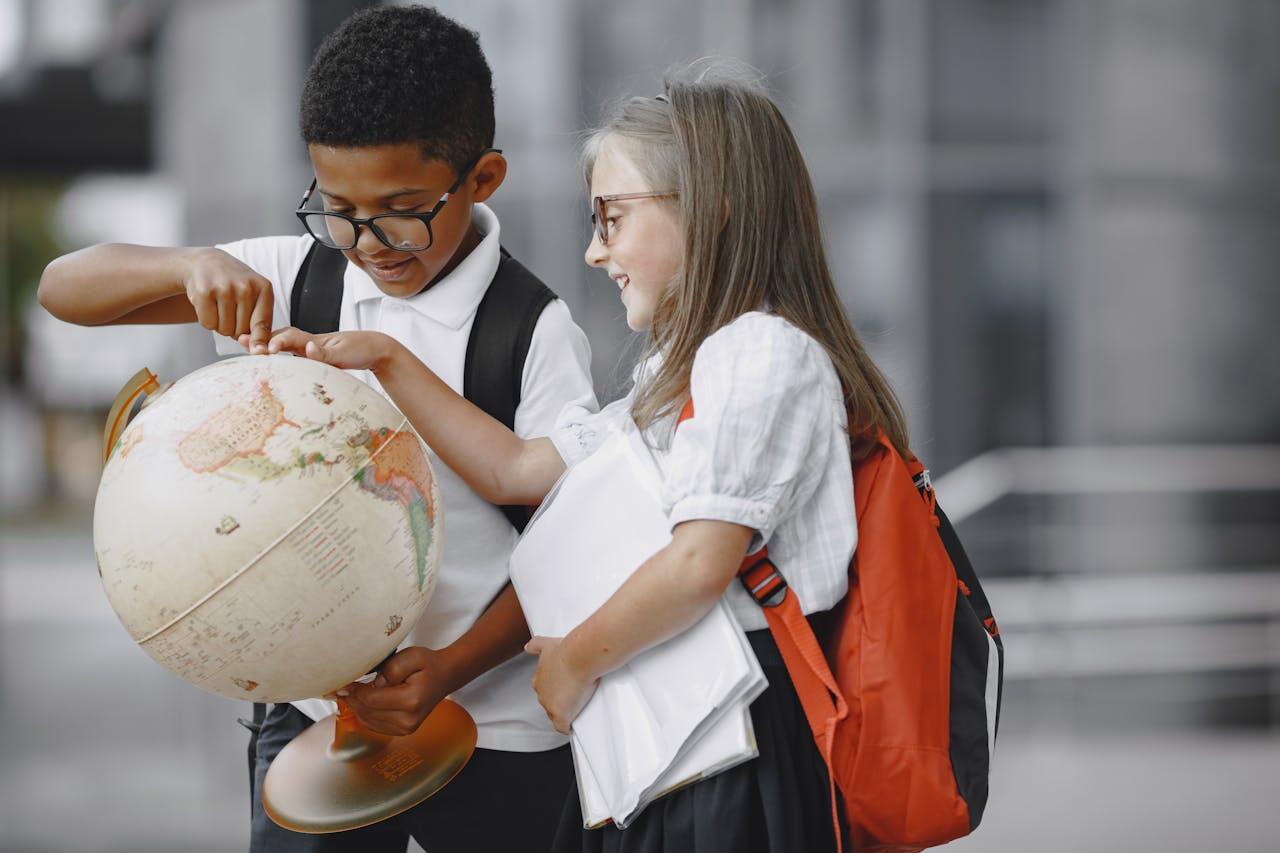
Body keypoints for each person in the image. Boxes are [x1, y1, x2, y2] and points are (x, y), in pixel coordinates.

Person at [257, 62, 912, 853]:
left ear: (712, 211)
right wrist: (384, 358)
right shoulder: (677, 369)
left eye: (612, 218)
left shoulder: (757, 353)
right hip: (689, 747)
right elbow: (519, 470)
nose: (597, 253)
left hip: (735, 746)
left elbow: (699, 563)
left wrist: (573, 660)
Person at [37, 6, 596, 852]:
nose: (367, 242)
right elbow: (61, 288)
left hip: (499, 725)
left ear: (482, 179)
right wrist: (188, 265)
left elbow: (567, 550)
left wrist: (450, 669)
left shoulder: (532, 331)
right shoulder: (297, 274)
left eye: (401, 209)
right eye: (338, 207)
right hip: (314, 724)